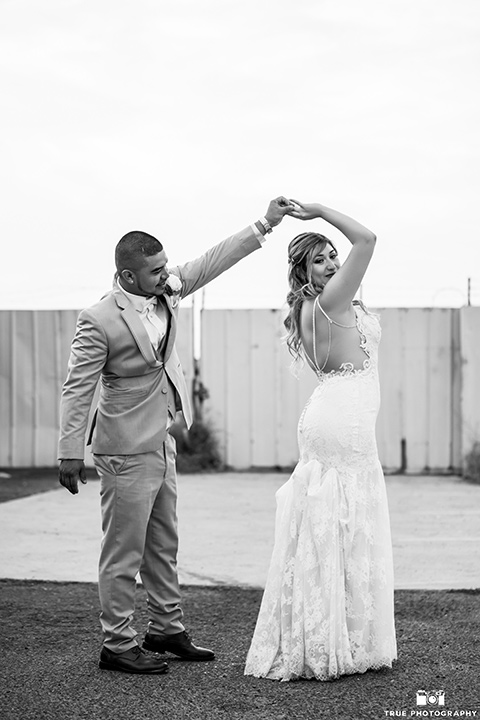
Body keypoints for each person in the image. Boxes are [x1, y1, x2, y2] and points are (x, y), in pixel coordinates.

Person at [58, 196, 293, 675]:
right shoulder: (98, 319)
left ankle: (165, 627)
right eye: (154, 272)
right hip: (124, 447)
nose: (166, 276)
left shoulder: (168, 289)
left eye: (166, 268)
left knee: (164, 543)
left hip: (162, 440)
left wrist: (265, 223)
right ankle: (118, 645)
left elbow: (211, 261)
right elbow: (77, 387)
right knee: (124, 550)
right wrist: (69, 452)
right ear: (127, 277)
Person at [244, 199, 397, 681]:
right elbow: (368, 240)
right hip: (342, 421)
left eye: (333, 255)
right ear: (304, 272)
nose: (333, 263)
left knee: (332, 525)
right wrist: (318, 211)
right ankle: (338, 639)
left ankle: (333, 632)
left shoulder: (315, 306)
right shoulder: (329, 301)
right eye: (320, 259)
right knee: (343, 523)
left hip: (332, 414)